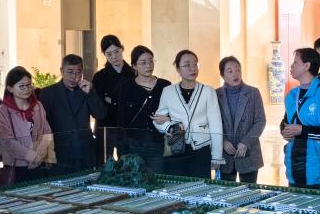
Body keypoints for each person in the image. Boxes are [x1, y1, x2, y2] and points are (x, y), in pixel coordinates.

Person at [153, 50, 224, 178]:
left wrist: (217, 156)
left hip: (201, 149)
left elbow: (216, 125)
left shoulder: (208, 91)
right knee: (177, 186)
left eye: (195, 64)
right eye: (187, 65)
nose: (193, 68)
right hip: (176, 148)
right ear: (178, 69)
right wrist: (169, 126)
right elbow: (157, 119)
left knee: (201, 186)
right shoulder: (168, 91)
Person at [281, 47, 320, 188]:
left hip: (319, 173)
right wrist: (285, 132)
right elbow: (286, 122)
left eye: (295, 62)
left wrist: (303, 130)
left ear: (307, 66)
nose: (291, 66)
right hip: (294, 169)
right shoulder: (292, 95)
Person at [39, 54, 106, 172]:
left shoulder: (86, 90)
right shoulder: (48, 93)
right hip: (59, 153)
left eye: (78, 72)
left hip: (85, 152)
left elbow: (101, 114)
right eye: (70, 72)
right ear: (61, 71)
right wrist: (47, 154)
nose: (74, 76)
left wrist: (90, 93)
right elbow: (43, 126)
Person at [0, 66, 55, 183]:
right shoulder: (2, 111)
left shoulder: (38, 106)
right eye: (21, 86)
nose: (26, 89)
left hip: (39, 164)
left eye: (29, 85)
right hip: (16, 166)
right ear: (10, 88)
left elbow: (47, 132)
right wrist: (32, 156)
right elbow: (7, 141)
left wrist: (40, 155)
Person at [115, 45, 169, 173]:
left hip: (157, 142)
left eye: (151, 61)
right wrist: (121, 149)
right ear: (134, 66)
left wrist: (168, 119)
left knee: (157, 179)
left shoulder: (165, 85)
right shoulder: (126, 87)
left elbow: (173, 113)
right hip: (133, 144)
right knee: (134, 178)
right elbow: (121, 120)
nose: (148, 65)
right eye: (143, 62)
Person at [216, 56, 266, 184]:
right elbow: (212, 123)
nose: (235, 74)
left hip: (249, 152)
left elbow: (260, 121)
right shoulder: (216, 95)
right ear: (222, 75)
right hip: (225, 153)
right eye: (230, 71)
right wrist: (222, 141)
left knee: (249, 191)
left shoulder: (253, 93)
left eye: (238, 70)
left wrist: (245, 143)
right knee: (226, 192)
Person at [92, 35, 136, 164]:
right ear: (104, 54)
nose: (114, 57)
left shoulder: (134, 73)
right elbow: (98, 106)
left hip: (128, 128)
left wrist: (111, 100)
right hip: (105, 128)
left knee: (128, 165)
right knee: (104, 165)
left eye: (117, 51)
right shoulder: (99, 76)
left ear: (122, 49)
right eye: (109, 54)